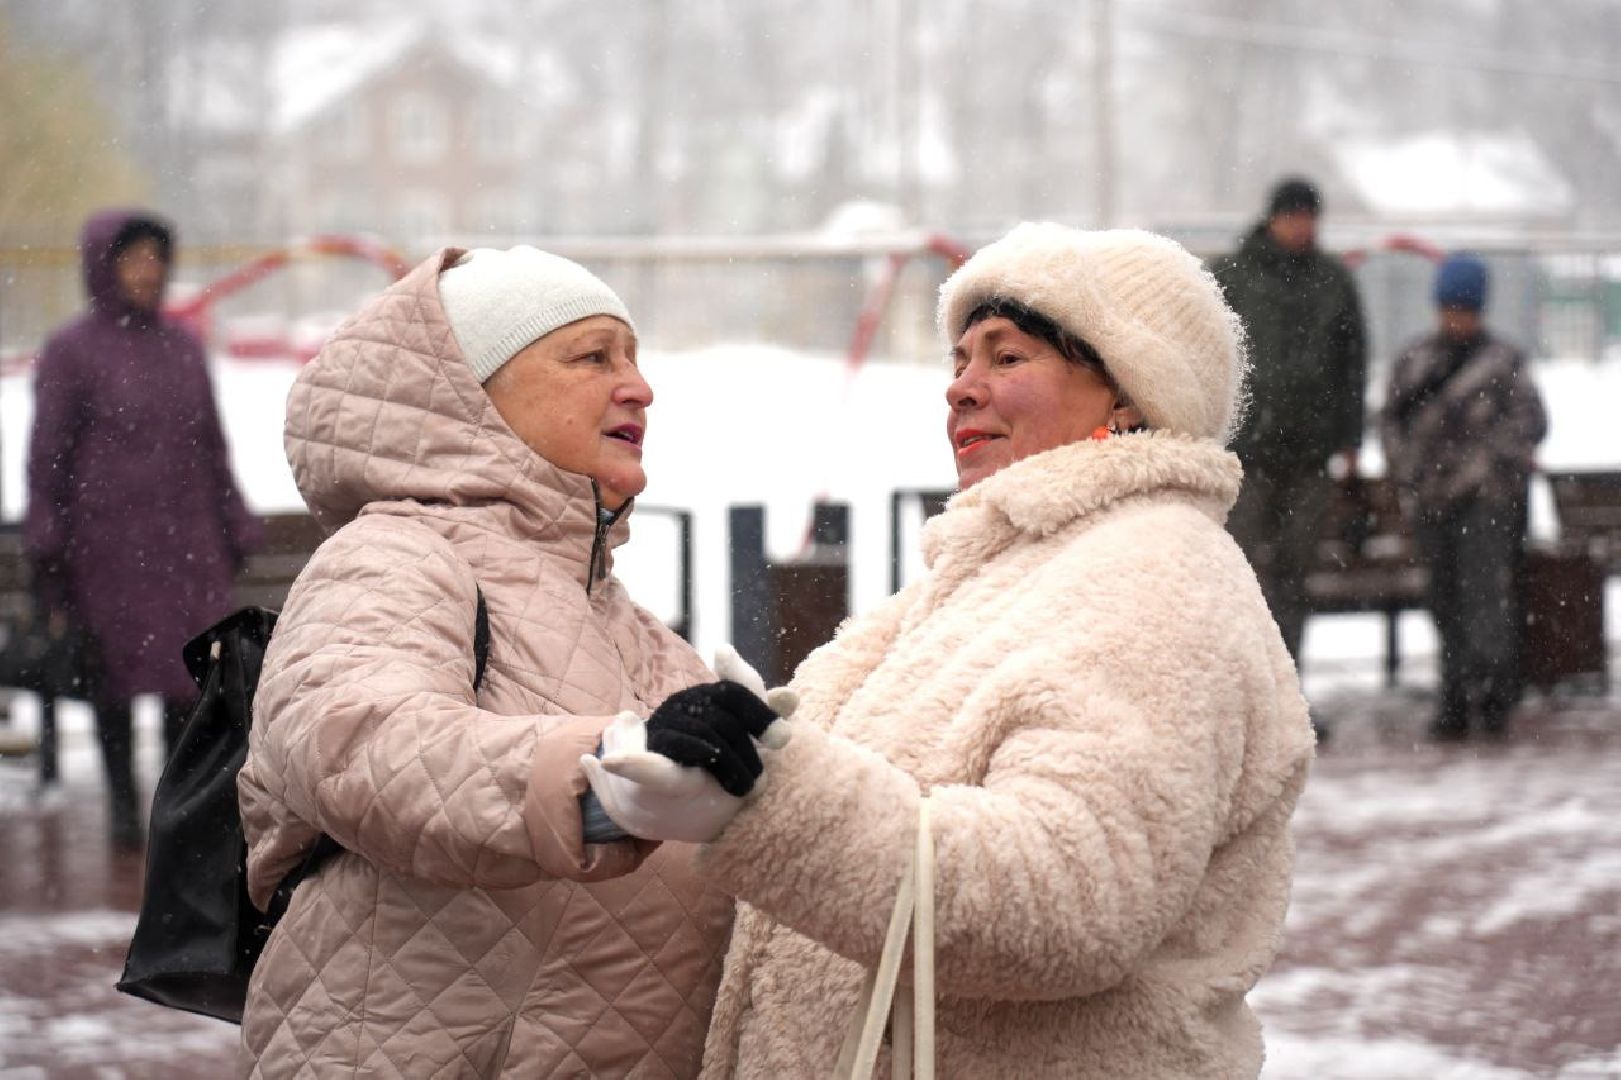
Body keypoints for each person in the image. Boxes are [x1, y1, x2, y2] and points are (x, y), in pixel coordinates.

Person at [588, 224, 1317, 1077]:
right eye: (960, 360)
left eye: (1006, 358)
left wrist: (765, 800)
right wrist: (714, 776)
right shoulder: (1000, 573)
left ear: (1128, 394)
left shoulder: (1156, 576)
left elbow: (1068, 898)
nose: (962, 388)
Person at [237, 246, 776, 1078]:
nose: (638, 387)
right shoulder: (396, 556)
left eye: (633, 358)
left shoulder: (627, 623)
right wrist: (600, 785)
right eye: (592, 357)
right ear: (469, 398)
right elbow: (353, 744)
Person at [25, 208, 262, 848]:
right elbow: (47, 457)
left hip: (186, 547)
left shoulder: (182, 348)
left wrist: (234, 522)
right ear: (103, 266)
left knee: (186, 685)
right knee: (114, 684)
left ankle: (172, 812)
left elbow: (211, 446)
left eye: (155, 258)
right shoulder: (72, 352)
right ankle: (126, 816)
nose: (147, 271)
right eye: (132, 258)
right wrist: (48, 540)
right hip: (106, 553)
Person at [1381, 254, 1547, 741]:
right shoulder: (1415, 361)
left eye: (1466, 308)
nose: (1458, 317)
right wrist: (1410, 471)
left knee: (1485, 599)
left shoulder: (1503, 362)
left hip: (1487, 503)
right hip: (1433, 502)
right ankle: (1453, 695)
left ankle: (1491, 697)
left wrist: (1485, 461)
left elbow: (1532, 422)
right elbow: (1390, 422)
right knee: (1444, 599)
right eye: (1451, 307)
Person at [1213, 177, 1368, 670]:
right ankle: (1242, 678)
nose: (1302, 227)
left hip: (1308, 455)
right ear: (1274, 218)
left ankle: (1286, 676)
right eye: (1294, 217)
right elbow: (1206, 354)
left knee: (1294, 575)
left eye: (1309, 218)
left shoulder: (1332, 281)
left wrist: (1350, 440)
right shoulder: (1233, 276)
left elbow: (1351, 365)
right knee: (1239, 571)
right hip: (1247, 453)